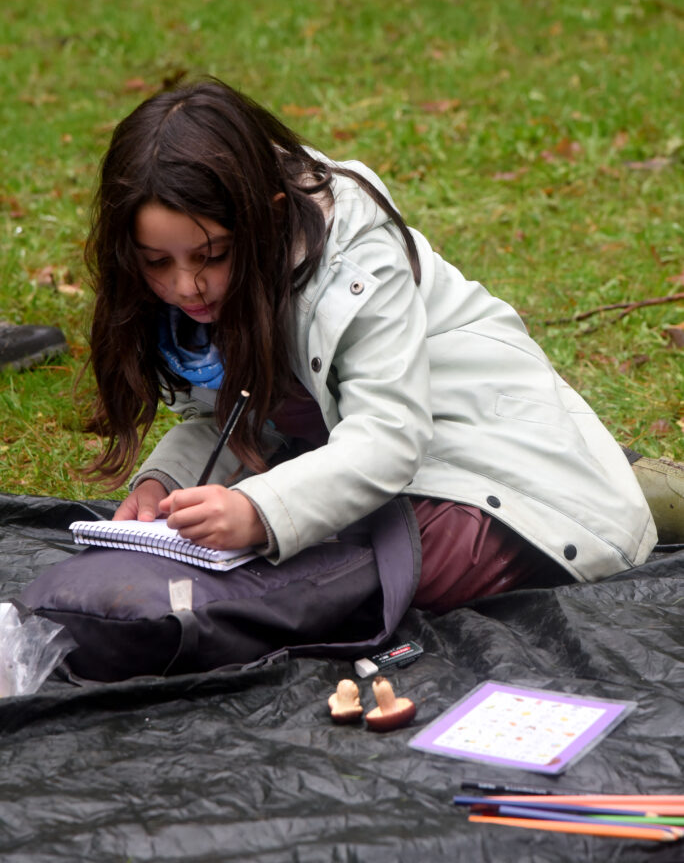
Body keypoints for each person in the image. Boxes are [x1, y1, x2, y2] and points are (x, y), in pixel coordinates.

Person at [82, 77, 662, 617]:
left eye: (210, 255)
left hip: (475, 454)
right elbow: (238, 413)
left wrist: (259, 511)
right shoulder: (199, 294)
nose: (185, 285)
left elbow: (387, 437)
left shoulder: (356, 258)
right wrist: (166, 483)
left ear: (269, 219)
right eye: (157, 263)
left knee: (367, 571)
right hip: (365, 455)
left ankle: (621, 488)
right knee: (288, 564)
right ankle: (638, 479)